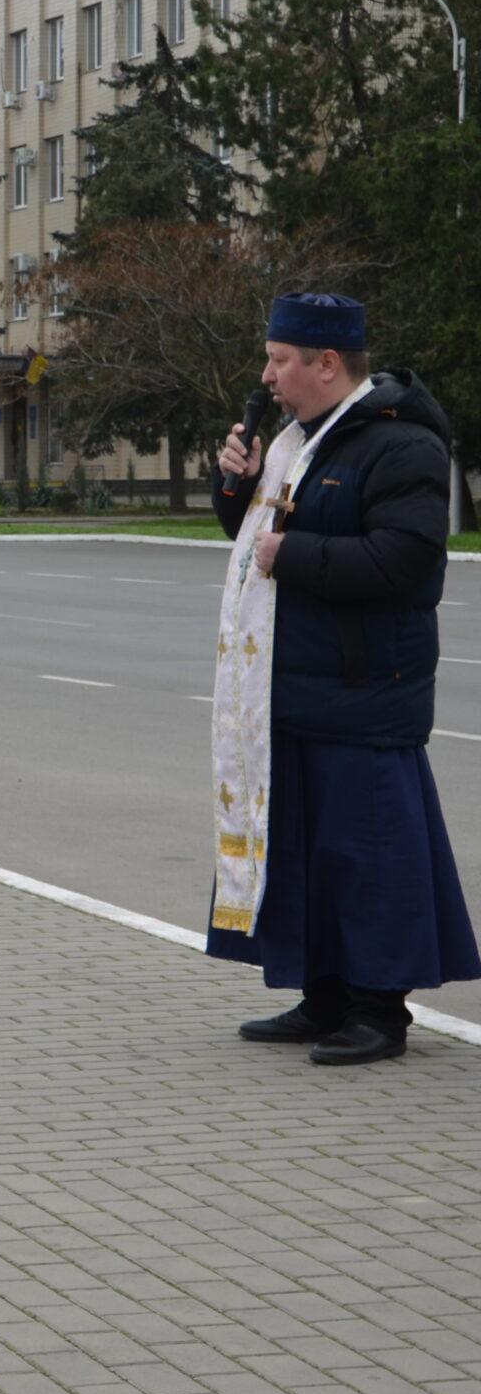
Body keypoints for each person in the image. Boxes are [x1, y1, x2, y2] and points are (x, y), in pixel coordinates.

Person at [207, 292, 479, 1064]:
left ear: (328, 365)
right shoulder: (300, 439)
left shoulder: (401, 445)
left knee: (369, 859)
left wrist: (289, 554)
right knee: (306, 856)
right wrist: (240, 485)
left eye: (281, 360)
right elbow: (256, 538)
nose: (267, 375)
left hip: (364, 693)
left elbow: (408, 562)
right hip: (292, 691)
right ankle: (322, 997)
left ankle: (378, 1012)